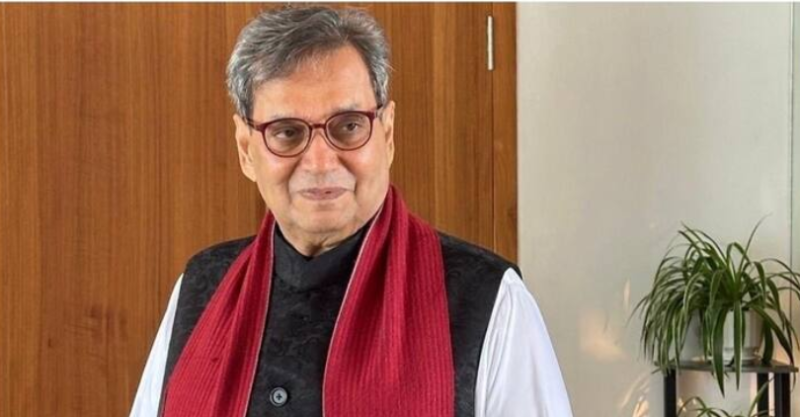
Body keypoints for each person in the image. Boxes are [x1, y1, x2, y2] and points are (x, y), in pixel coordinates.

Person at [130, 5, 572, 417]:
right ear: (246, 150)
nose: (320, 162)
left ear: (387, 133)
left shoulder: (490, 299)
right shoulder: (201, 287)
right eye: (287, 133)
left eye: (348, 126)